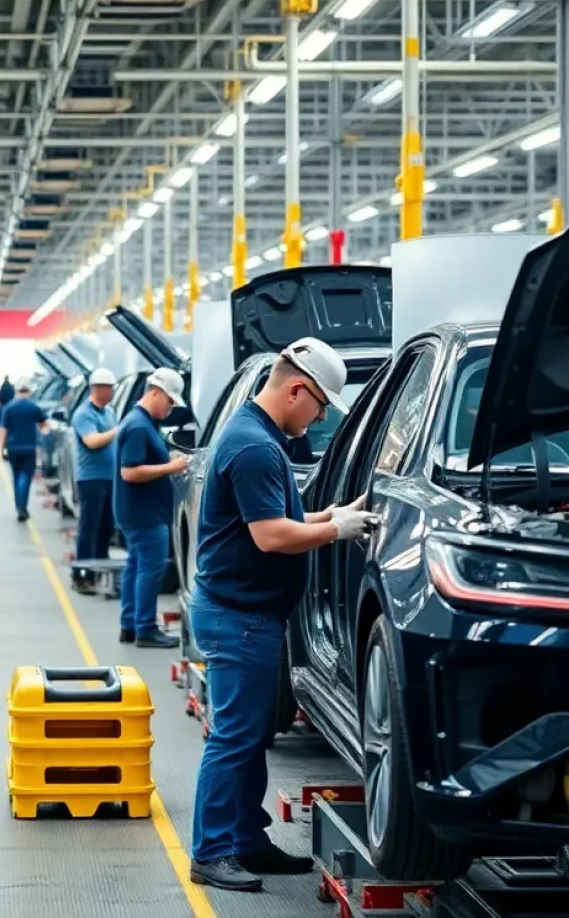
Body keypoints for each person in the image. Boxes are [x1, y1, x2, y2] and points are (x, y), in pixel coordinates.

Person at [188, 338, 378, 893]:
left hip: (246, 614)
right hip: (238, 617)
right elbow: (271, 536)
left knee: (248, 738)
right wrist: (334, 532)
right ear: (297, 389)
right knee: (234, 738)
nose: (319, 418)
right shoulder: (254, 447)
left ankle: (247, 840)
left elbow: (275, 513)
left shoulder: (259, 436)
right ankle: (212, 851)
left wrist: (327, 514)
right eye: (320, 406)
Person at [113, 368, 187, 648]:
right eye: (169, 402)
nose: (170, 409)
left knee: (135, 566)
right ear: (155, 392)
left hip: (138, 512)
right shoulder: (138, 426)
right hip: (144, 514)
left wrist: (166, 459)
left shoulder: (143, 423)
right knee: (150, 568)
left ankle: (129, 624)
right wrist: (171, 466)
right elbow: (129, 472)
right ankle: (145, 629)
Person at [70, 367, 118, 592]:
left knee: (106, 526)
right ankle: (81, 575)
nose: (111, 393)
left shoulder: (109, 413)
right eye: (109, 389)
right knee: (89, 527)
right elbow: (91, 441)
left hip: (110, 478)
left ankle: (99, 570)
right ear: (97, 389)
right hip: (91, 480)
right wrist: (117, 432)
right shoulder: (83, 414)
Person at [0, 377, 48, 522]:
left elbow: (3, 430)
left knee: (15, 476)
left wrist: (0, 449)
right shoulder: (34, 407)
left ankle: (19, 506)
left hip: (13, 448)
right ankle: (22, 508)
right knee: (25, 476)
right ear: (29, 390)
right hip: (29, 448)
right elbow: (45, 426)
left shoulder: (9, 407)